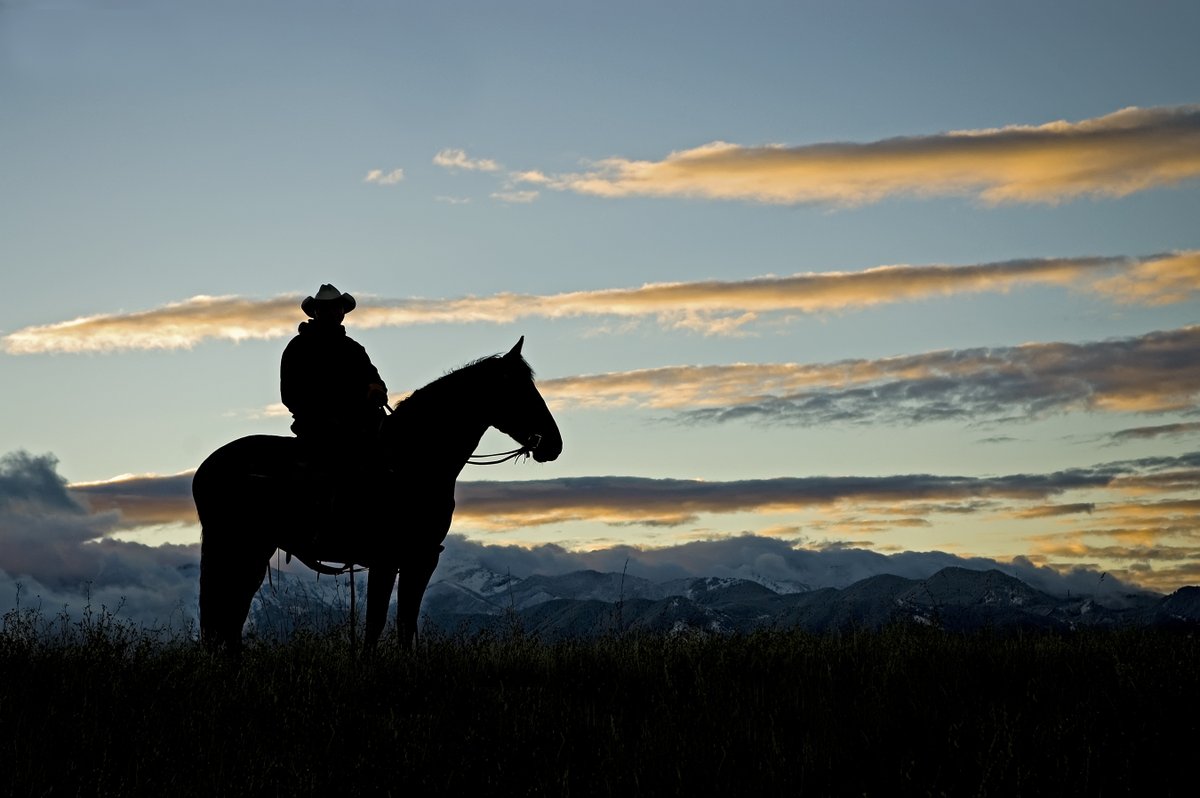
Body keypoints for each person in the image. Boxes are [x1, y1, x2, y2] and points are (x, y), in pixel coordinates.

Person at [280, 283, 389, 474]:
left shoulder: (354, 349)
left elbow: (375, 380)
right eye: (325, 308)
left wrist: (377, 389)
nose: (332, 312)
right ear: (316, 312)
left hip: (360, 425)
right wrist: (327, 416)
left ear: (342, 313)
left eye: (336, 307)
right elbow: (291, 394)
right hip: (318, 428)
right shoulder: (299, 347)